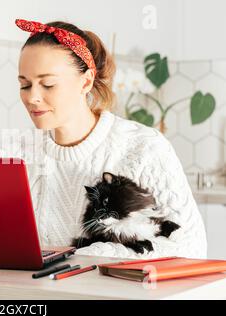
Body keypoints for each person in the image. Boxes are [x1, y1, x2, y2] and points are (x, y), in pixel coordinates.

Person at [12, 18, 207, 259]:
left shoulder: (144, 148)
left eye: (48, 84)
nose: (32, 97)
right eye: (25, 85)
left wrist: (102, 252)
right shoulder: (17, 154)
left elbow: (192, 247)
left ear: (86, 81)